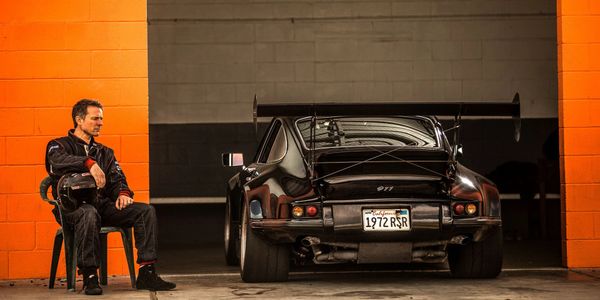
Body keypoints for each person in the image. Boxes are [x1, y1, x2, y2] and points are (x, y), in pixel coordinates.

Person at [45, 99, 175, 295]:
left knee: (145, 211)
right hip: (72, 209)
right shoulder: (57, 146)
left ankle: (147, 272)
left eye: (102, 119)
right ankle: (90, 276)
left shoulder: (105, 152)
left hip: (102, 206)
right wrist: (88, 163)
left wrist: (123, 193)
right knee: (88, 213)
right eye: (95, 118)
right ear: (79, 120)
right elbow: (57, 162)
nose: (100, 123)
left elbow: (117, 179)